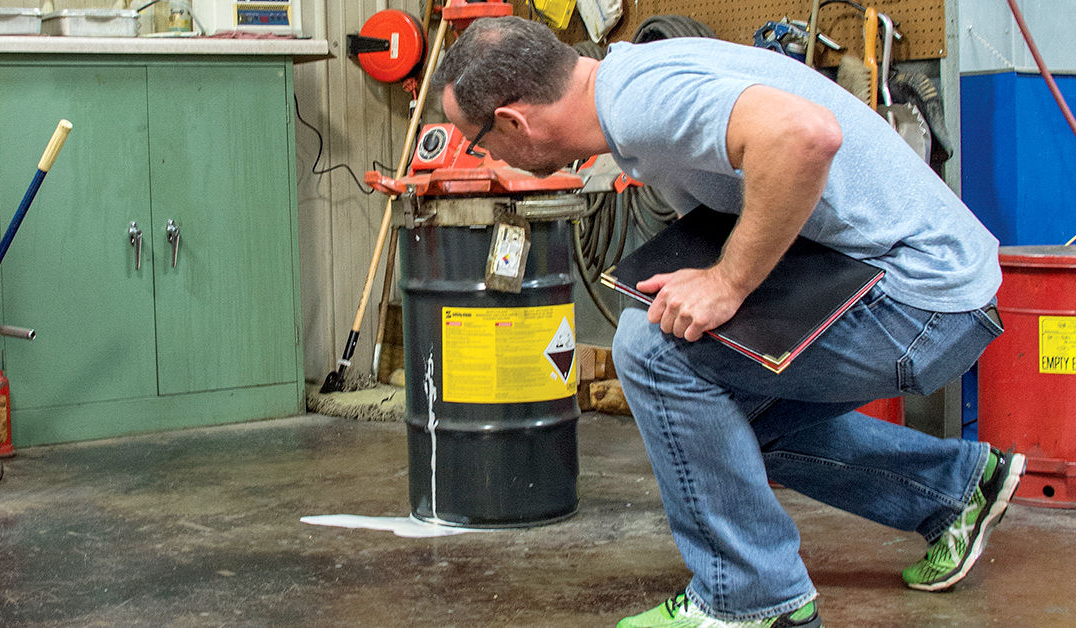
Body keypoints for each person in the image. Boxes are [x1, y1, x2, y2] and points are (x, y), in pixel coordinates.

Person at [431, 16, 1025, 628]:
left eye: (476, 141)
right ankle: (955, 492)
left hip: (920, 299)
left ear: (511, 122)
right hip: (920, 281)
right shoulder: (626, 84)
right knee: (719, 426)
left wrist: (727, 283)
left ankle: (750, 596)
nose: (484, 154)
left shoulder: (639, 104)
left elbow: (804, 135)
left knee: (650, 348)